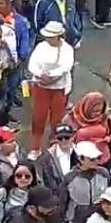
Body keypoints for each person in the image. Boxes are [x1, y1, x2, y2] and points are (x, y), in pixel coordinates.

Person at [27, 20, 75, 150]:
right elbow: (32, 64)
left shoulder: (67, 49)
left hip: (59, 88)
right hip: (40, 87)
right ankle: (35, 147)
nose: (48, 39)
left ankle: (56, 145)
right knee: (38, 118)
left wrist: (51, 75)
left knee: (57, 120)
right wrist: (40, 75)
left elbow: (66, 66)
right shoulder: (41, 47)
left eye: (51, 37)